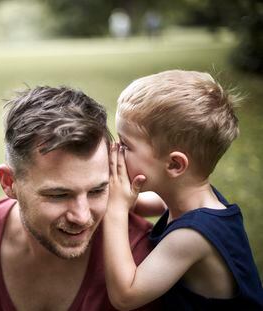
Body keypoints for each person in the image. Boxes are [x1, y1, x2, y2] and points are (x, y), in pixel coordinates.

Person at [0, 85, 160, 311]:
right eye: (59, 195)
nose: (82, 216)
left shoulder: (145, 262)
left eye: (97, 191)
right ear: (9, 183)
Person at [103, 70, 263, 310]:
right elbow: (138, 203)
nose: (116, 150)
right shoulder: (190, 199)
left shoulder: (192, 237)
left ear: (174, 164)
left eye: (125, 145)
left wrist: (115, 211)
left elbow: (126, 296)